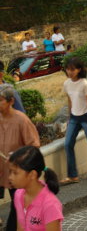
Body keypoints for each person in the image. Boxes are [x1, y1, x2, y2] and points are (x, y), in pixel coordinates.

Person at [0, 84, 40, 231]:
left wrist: (19, 157)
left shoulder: (21, 120)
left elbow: (33, 146)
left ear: (11, 101)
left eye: (0, 100)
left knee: (17, 204)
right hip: (2, 171)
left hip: (17, 172)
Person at [61, 57, 87, 184]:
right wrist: (69, 118)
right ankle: (73, 176)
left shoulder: (84, 83)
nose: (70, 72)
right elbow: (70, 100)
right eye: (68, 69)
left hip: (86, 117)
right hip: (74, 118)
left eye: (73, 69)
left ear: (79, 70)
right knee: (68, 144)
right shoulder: (66, 83)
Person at [9, 146, 63, 231]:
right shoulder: (18, 195)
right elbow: (20, 227)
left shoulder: (50, 205)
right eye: (10, 172)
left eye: (15, 173)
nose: (10, 177)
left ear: (32, 175)